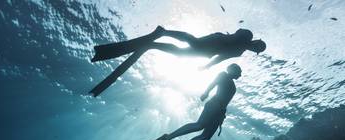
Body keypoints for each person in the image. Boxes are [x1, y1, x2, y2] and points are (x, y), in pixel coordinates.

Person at [108, 63, 242, 140]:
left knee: (205, 137)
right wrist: (206, 92)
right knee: (199, 125)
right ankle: (170, 136)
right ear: (231, 69)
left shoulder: (233, 86)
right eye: (238, 71)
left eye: (240, 73)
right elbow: (213, 83)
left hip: (220, 112)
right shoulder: (223, 75)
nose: (239, 74)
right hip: (214, 104)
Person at [89, 26, 265, 96]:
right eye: (257, 47)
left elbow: (221, 58)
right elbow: (232, 36)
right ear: (256, 42)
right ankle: (164, 32)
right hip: (213, 42)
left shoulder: (240, 51)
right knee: (193, 41)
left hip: (208, 53)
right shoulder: (246, 35)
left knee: (181, 52)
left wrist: (206, 66)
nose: (254, 49)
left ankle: (155, 44)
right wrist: (236, 40)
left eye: (256, 50)